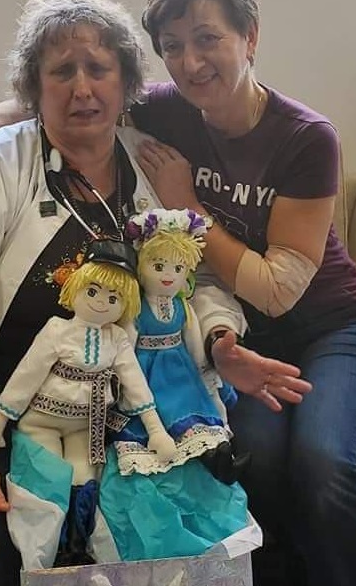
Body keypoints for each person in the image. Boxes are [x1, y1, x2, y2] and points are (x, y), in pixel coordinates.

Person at [0, 0, 356, 585]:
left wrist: (189, 209)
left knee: (322, 462)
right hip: (233, 338)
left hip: (329, 325)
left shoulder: (302, 137)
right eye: (173, 46)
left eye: (208, 38)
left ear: (250, 36)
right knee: (250, 458)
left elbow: (268, 289)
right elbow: (51, 97)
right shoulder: (167, 112)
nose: (191, 62)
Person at [0, 0, 310, 586]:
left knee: (174, 540)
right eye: (62, 72)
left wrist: (219, 341)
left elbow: (195, 276)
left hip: (113, 396)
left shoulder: (153, 163)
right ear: (34, 87)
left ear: (126, 85)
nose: (82, 89)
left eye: (99, 69)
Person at [0, 238, 177, 569]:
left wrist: (155, 430)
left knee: (84, 480)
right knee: (48, 476)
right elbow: (27, 375)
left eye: (113, 298)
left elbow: (135, 384)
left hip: (87, 425)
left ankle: (73, 547)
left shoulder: (118, 339)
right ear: (77, 286)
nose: (101, 302)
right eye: (93, 291)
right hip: (41, 420)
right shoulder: (57, 330)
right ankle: (42, 551)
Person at [98, 207, 255, 562]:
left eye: (177, 268)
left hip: (182, 370)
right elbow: (125, 344)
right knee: (157, 419)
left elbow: (195, 341)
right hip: (147, 373)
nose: (168, 276)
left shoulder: (182, 306)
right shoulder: (137, 308)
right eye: (159, 267)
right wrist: (118, 378)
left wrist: (207, 370)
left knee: (199, 413)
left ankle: (219, 459)